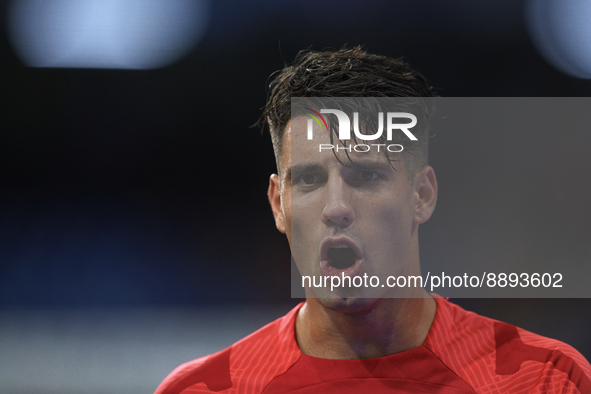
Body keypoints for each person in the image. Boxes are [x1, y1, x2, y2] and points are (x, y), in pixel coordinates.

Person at [154, 47, 591, 394]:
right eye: (308, 179)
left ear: (422, 195)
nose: (336, 207)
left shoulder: (544, 382)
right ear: (278, 205)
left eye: (365, 175)